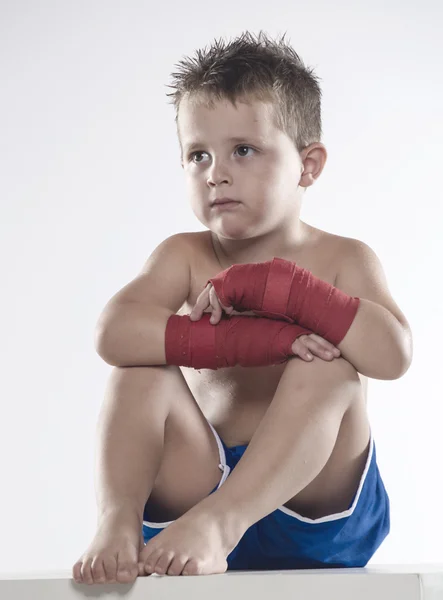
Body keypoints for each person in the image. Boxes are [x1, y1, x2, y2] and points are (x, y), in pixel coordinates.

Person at [72, 31, 413, 584]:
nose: (216, 172)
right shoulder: (184, 254)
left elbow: (393, 356)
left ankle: (224, 521)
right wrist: (242, 340)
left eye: (244, 150)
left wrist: (284, 289)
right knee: (139, 371)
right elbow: (113, 333)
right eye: (198, 154)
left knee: (333, 370)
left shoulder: (342, 257)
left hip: (311, 500)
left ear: (309, 164)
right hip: (197, 495)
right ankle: (118, 520)